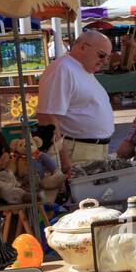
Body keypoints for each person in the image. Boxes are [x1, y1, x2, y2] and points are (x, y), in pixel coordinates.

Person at [36, 31, 115, 172]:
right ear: (83, 47)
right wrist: (64, 159)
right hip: (76, 152)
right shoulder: (63, 69)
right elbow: (47, 117)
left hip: (91, 151)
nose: (104, 61)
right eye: (102, 55)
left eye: (108, 57)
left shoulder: (80, 69)